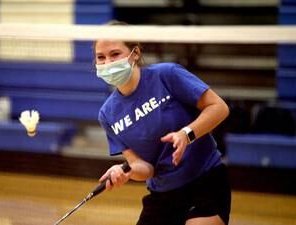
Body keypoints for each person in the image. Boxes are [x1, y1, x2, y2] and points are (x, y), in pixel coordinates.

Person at [94, 21, 231, 225]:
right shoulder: (107, 114)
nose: (108, 63)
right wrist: (127, 172)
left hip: (205, 180)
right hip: (163, 195)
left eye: (115, 54)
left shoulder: (167, 75)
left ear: (136, 53)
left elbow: (219, 107)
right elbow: (145, 168)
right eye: (101, 57)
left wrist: (187, 134)